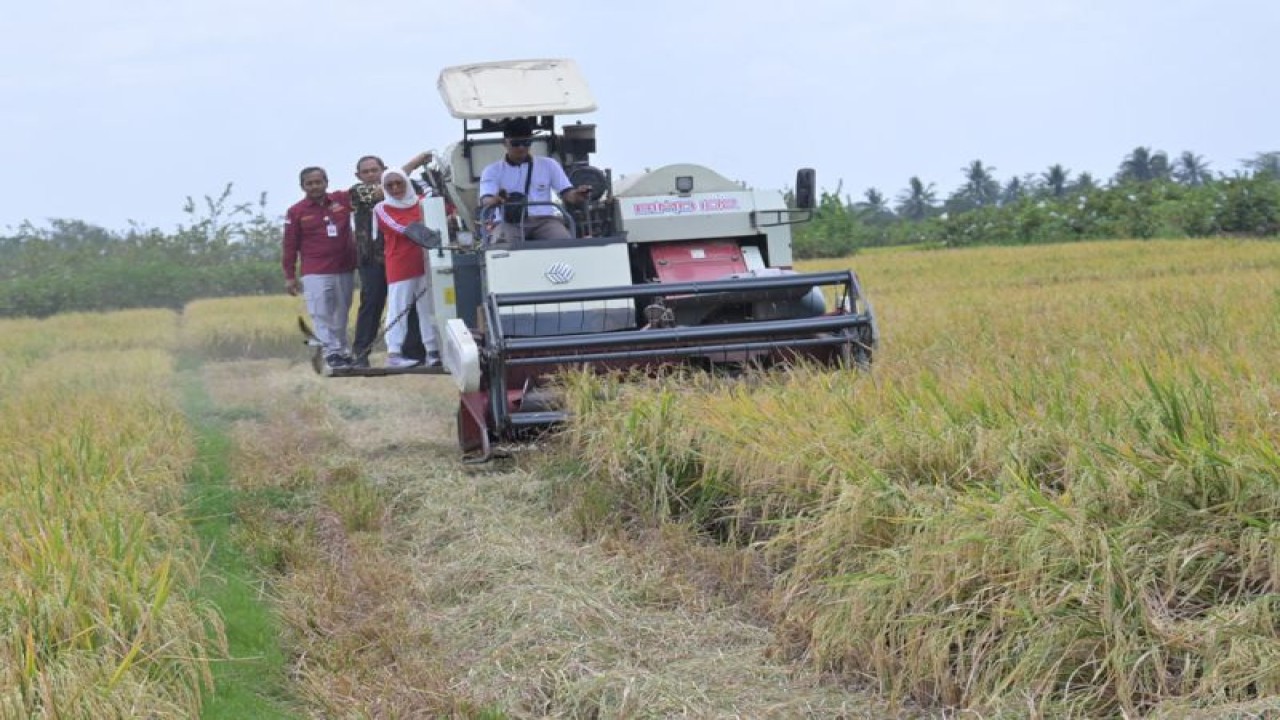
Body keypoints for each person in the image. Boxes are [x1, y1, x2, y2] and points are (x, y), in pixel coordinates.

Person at [349, 152, 432, 368]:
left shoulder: (408, 192)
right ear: (358, 175)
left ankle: (415, 353)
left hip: (407, 256)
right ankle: (361, 354)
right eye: (365, 172)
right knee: (373, 304)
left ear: (382, 169)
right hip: (373, 258)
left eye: (374, 170)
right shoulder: (359, 192)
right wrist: (413, 163)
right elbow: (379, 192)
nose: (370, 175)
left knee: (413, 305)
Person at [282, 166, 357, 370]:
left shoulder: (341, 201)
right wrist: (290, 276)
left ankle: (342, 350)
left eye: (318, 182)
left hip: (344, 268)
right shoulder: (296, 212)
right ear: (302, 186)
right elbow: (289, 246)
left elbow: (369, 191)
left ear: (326, 182)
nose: (315, 186)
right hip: (315, 271)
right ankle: (330, 352)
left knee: (341, 313)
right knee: (321, 312)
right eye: (310, 183)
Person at [478, 117, 592, 242]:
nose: (521, 148)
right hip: (509, 223)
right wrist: (496, 200)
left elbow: (568, 194)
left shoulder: (549, 165)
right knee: (501, 244)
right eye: (516, 144)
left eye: (526, 143)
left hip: (544, 221)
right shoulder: (492, 170)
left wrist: (579, 194)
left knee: (563, 241)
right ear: (504, 143)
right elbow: (485, 200)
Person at [375, 167, 441, 369]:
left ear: (407, 182)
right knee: (398, 308)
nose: (395, 188)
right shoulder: (382, 208)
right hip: (400, 264)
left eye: (399, 183)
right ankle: (394, 353)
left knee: (428, 308)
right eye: (389, 185)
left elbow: (440, 214)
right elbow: (398, 228)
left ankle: (432, 351)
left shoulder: (422, 203)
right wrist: (425, 231)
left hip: (425, 262)